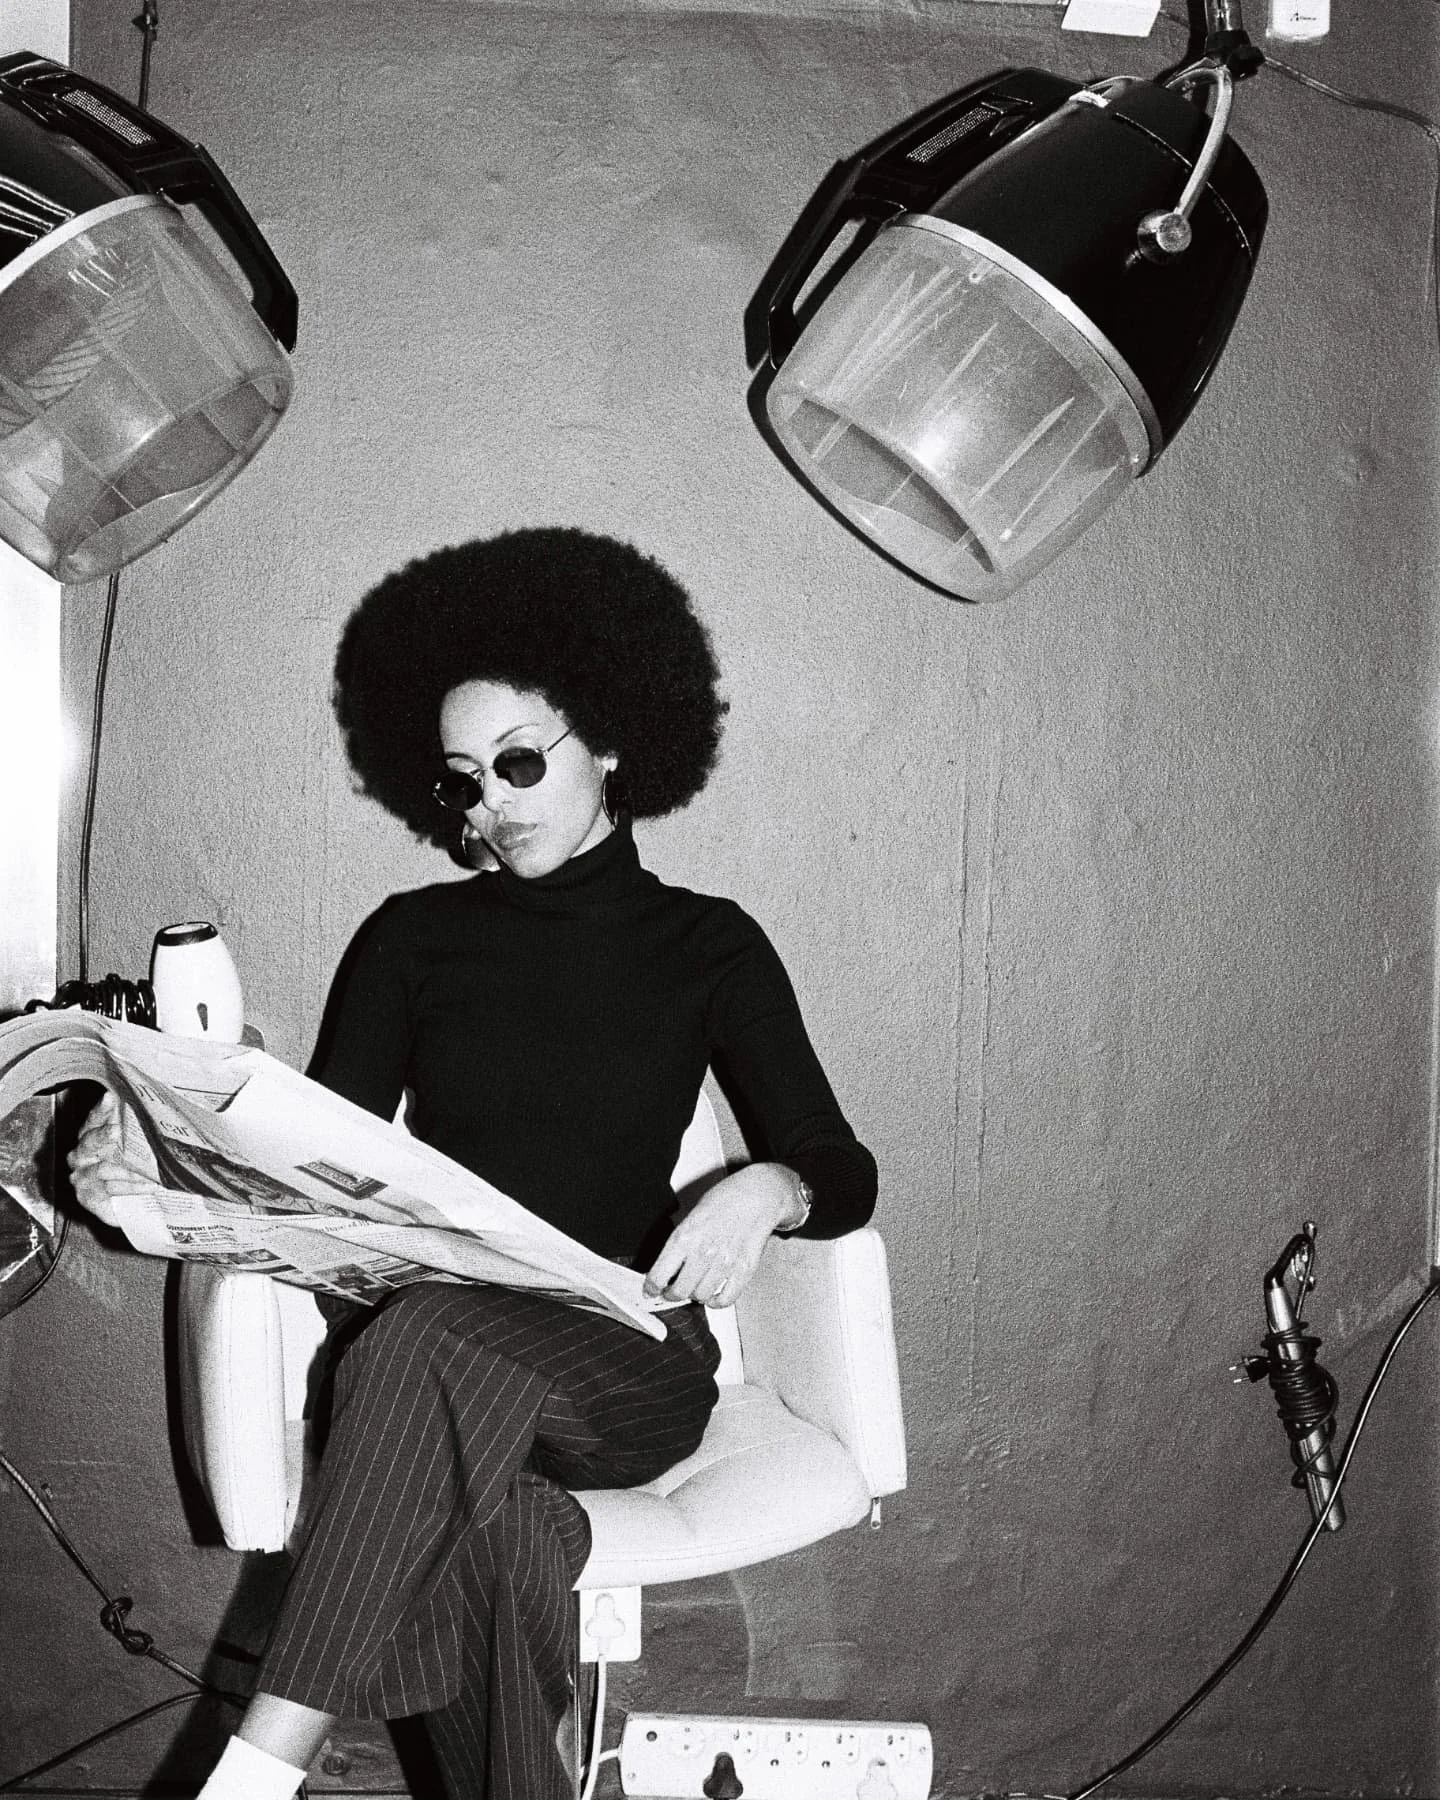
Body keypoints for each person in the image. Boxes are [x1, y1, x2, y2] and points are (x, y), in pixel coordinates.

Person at [67, 527, 878, 1800]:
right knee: (497, 1533)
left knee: (424, 1341)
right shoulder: (411, 941)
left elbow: (838, 1157)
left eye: (517, 763)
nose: (490, 806)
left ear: (609, 739)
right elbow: (320, 1167)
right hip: (432, 1376)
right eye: (465, 781)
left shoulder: (708, 947)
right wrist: (168, 1175)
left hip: (622, 1372)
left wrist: (770, 1187)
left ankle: (256, 1771)